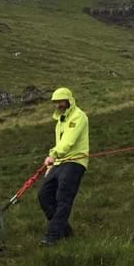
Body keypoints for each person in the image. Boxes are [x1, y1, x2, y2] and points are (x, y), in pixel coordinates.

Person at [38, 87, 89, 245]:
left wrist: (53, 155)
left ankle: (52, 236)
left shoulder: (78, 117)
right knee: (44, 196)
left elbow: (68, 141)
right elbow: (60, 143)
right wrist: (50, 166)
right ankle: (66, 232)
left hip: (75, 162)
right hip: (59, 163)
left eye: (61, 101)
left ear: (69, 101)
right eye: (55, 102)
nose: (58, 105)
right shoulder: (60, 121)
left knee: (63, 198)